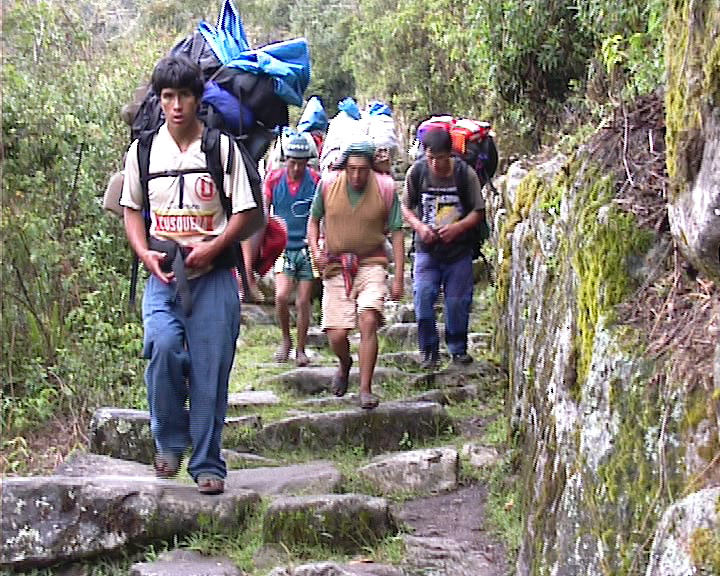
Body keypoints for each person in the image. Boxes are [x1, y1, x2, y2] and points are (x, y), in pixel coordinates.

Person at [120, 55, 260, 495]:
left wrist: (215, 246)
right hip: (164, 273)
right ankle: (169, 440)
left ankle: (207, 463)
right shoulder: (144, 150)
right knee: (161, 347)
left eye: (183, 95)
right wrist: (144, 253)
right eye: (167, 96)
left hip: (214, 275)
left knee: (210, 368)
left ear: (198, 99)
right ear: (159, 101)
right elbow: (130, 210)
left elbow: (247, 212)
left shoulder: (220, 149)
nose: (176, 105)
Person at [307, 141, 404, 409]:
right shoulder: (327, 185)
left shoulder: (385, 189)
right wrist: (316, 250)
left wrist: (397, 277)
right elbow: (313, 222)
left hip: (371, 263)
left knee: (369, 319)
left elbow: (397, 234)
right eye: (352, 169)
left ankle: (365, 388)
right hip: (336, 266)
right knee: (336, 334)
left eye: (363, 169)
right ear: (345, 168)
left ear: (370, 168)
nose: (357, 175)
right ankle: (345, 361)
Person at [401, 128, 485, 370]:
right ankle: (428, 351)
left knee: (458, 302)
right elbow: (406, 207)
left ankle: (457, 349)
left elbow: (478, 211)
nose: (435, 163)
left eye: (440, 157)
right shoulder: (417, 172)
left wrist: (458, 229)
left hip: (459, 250)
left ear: (450, 154)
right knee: (423, 297)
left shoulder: (464, 174)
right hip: (427, 249)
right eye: (431, 158)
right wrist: (419, 227)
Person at [265, 134, 320, 366]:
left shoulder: (316, 180)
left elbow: (321, 213)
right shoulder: (274, 180)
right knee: (281, 296)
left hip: (307, 246)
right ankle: (286, 339)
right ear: (285, 160)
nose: (296, 167)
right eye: (292, 162)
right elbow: (264, 211)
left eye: (301, 162)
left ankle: (301, 347)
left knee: (303, 300)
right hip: (283, 246)